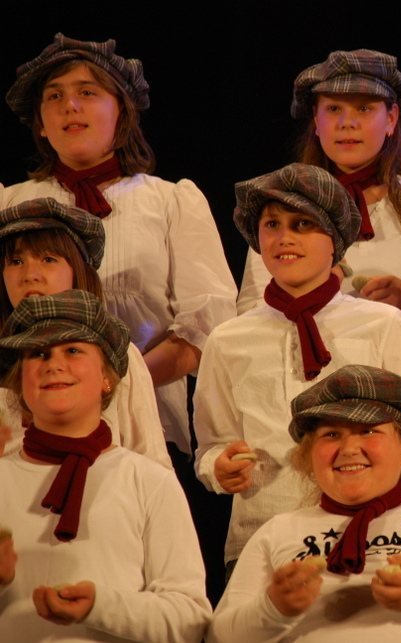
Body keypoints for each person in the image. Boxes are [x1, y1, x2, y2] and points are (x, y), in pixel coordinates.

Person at [195, 163, 401, 575]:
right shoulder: (228, 340)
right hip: (264, 537)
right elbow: (212, 444)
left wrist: (396, 460)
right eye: (272, 225)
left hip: (372, 532)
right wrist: (218, 468)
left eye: (303, 224)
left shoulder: (380, 323)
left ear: (335, 238)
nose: (285, 237)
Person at [1, 33, 238, 456]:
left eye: (87, 92)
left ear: (122, 112)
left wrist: (111, 384)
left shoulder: (169, 201)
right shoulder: (9, 204)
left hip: (143, 425)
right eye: (54, 96)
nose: (70, 105)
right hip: (22, 427)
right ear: (40, 122)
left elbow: (205, 328)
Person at [236, 48, 401, 386]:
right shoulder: (284, 207)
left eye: (364, 108)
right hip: (305, 399)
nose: (347, 122)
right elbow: (250, 315)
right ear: (316, 120)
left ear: (391, 119)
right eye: (333, 109)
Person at [208, 364, 401, 642]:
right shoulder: (277, 531)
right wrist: (273, 608)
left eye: (368, 431)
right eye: (331, 434)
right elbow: (219, 635)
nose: (349, 448)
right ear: (310, 455)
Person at [0, 290, 210, 641]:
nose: (54, 364)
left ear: (106, 378)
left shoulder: (148, 482)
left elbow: (190, 618)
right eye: (38, 353)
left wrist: (101, 607)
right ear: (20, 383)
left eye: (72, 350)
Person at [0, 197, 169, 468]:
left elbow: (152, 460)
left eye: (48, 259)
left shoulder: (115, 351)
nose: (30, 274)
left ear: (76, 270)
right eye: (16, 261)